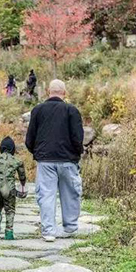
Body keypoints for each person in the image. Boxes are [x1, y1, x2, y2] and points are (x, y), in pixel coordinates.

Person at [25, 79, 84, 242]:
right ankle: (70, 227)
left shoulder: (37, 110)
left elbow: (30, 138)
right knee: (71, 194)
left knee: (46, 195)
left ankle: (49, 231)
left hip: (45, 160)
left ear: (48, 92)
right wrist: (76, 155)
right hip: (68, 160)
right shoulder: (72, 110)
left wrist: (37, 153)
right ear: (64, 93)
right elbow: (78, 137)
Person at [0, 137, 27, 240]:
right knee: (10, 210)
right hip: (10, 189)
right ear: (13, 149)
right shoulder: (17, 161)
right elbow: (22, 175)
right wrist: (23, 184)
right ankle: (9, 233)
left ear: (1, 148)